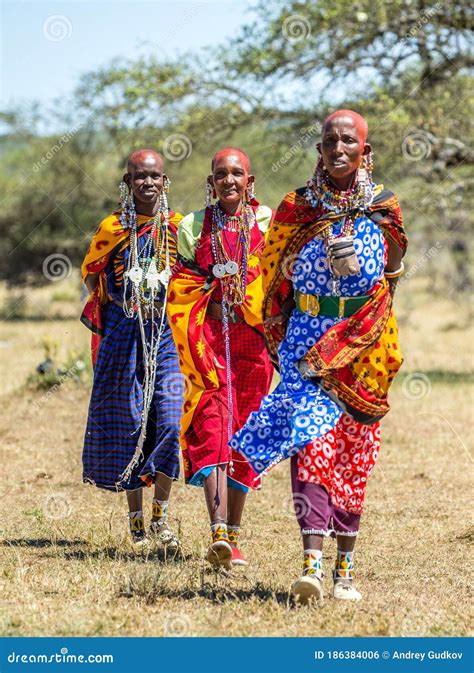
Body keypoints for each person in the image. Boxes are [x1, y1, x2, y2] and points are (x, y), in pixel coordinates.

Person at [231, 111, 407, 603]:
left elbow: (393, 271)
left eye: (348, 140)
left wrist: (362, 263)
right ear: (320, 150)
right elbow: (270, 271)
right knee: (311, 445)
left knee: (353, 454)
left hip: (363, 346)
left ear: (364, 151)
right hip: (307, 345)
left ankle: (344, 569)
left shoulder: (384, 206)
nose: (338, 147)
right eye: (330, 140)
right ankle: (311, 564)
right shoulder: (297, 206)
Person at [167, 147, 274, 568]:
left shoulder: (268, 221)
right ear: (211, 183)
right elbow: (180, 287)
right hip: (207, 343)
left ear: (250, 181)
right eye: (220, 174)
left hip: (253, 348)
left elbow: (277, 276)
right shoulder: (193, 227)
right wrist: (212, 300)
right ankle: (217, 532)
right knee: (211, 428)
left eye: (237, 173)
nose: (229, 180)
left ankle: (235, 534)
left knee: (246, 438)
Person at [81, 149, 184, 550]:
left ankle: (161, 515)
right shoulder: (113, 227)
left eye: (154, 176)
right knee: (131, 421)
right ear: (127, 183)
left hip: (167, 335)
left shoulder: (179, 228)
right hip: (124, 334)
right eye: (139, 177)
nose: (147, 183)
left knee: (171, 421)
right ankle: (136, 522)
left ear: (165, 181)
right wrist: (125, 304)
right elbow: (92, 275)